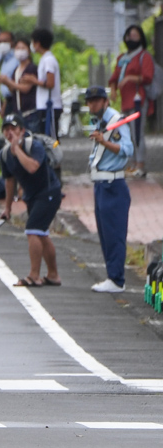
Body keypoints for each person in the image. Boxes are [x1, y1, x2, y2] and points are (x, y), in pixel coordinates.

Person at [0, 113, 63, 287]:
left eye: (13, 129)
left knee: (33, 230)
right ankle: (53, 275)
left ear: (22, 130)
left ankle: (34, 275)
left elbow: (33, 167)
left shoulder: (34, 146)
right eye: (6, 129)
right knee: (41, 233)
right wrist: (8, 208)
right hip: (32, 196)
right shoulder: (4, 154)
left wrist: (17, 149)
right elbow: (10, 181)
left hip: (49, 192)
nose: (9, 133)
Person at [84, 86, 135, 294]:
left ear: (105, 101)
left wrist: (104, 141)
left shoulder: (115, 120)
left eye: (96, 101)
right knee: (105, 234)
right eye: (89, 101)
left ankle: (116, 279)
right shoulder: (98, 122)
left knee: (114, 234)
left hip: (113, 184)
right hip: (101, 184)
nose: (92, 104)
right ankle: (112, 277)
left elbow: (128, 150)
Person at [109, 24, 155, 178]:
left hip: (138, 100)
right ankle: (132, 163)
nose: (131, 39)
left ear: (141, 38)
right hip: (125, 101)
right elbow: (114, 78)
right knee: (127, 134)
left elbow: (147, 77)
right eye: (129, 36)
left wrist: (130, 78)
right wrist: (114, 91)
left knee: (137, 133)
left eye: (135, 35)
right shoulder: (122, 59)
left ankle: (140, 164)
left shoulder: (144, 57)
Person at [25, 28, 62, 137]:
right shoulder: (44, 59)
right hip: (43, 106)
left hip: (50, 106)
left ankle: (55, 153)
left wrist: (33, 81)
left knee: (51, 137)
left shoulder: (48, 60)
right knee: (44, 137)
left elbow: (50, 83)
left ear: (37, 43)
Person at [0, 36, 37, 116]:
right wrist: (6, 82)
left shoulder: (31, 68)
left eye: (23, 48)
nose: (20, 51)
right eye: (18, 48)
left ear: (29, 51)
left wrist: (9, 82)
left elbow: (26, 88)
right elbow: (13, 89)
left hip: (30, 112)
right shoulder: (17, 69)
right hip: (17, 111)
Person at [0, 30, 17, 111]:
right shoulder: (4, 61)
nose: (2, 44)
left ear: (12, 43)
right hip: (8, 101)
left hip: (16, 100)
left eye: (5, 41)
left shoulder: (17, 59)